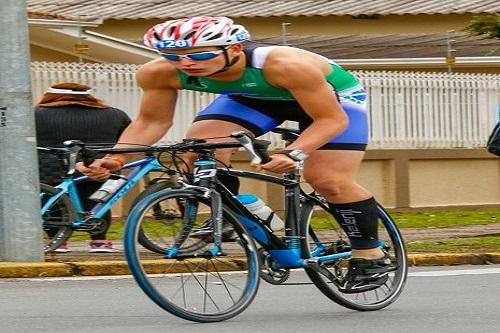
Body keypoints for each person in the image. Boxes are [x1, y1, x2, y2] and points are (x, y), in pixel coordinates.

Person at [78, 16, 392, 292]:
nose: (187, 64)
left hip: (333, 101)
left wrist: (295, 153)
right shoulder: (159, 73)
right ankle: (232, 213)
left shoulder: (285, 64)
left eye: (199, 54)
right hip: (252, 97)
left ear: (235, 49)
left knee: (327, 179)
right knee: (196, 150)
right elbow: (152, 122)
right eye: (173, 56)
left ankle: (369, 254)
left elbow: (331, 120)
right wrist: (116, 158)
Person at [36, 82, 131, 253]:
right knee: (97, 201)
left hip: (50, 166)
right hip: (99, 165)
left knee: (54, 201)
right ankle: (99, 241)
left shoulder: (36, 114)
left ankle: (57, 240)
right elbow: (125, 140)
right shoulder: (115, 115)